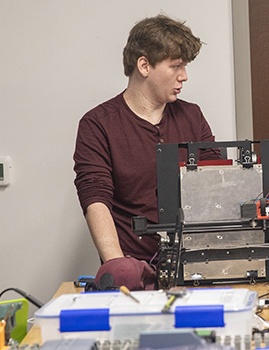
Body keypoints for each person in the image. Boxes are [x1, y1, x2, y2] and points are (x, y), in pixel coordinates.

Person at [73, 14, 220, 291]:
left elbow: (215, 184)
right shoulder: (98, 124)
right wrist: (118, 268)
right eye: (175, 66)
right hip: (135, 275)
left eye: (185, 66)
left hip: (194, 270)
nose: (184, 76)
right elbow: (95, 198)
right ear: (144, 65)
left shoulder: (192, 116)